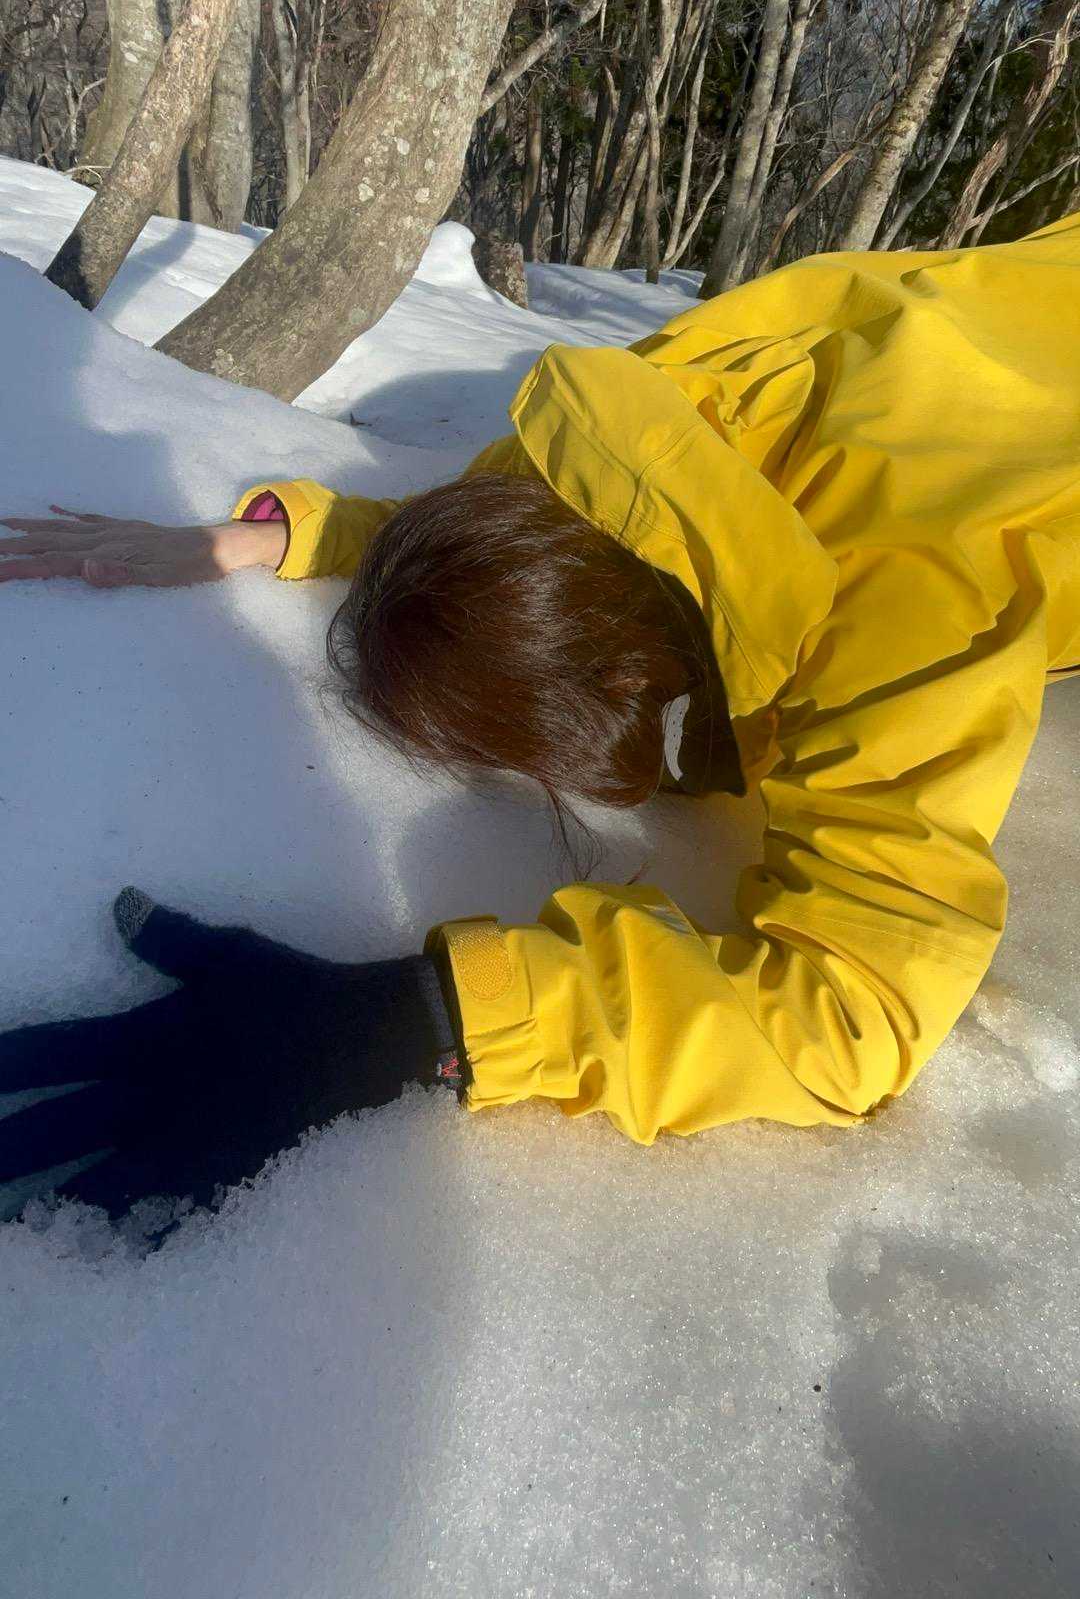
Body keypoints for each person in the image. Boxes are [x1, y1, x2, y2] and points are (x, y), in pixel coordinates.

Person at [2, 212, 1079, 1223]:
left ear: (624, 694)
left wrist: (425, 1019)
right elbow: (535, 534)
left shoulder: (904, 606)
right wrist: (310, 535)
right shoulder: (624, 436)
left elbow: (853, 1016)